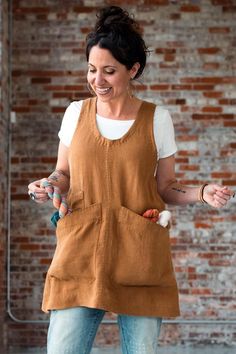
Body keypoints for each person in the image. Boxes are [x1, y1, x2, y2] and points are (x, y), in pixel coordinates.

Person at [27, 5, 234, 354]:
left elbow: (164, 187)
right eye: (92, 70)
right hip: (80, 251)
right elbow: (62, 173)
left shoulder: (158, 119)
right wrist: (47, 185)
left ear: (132, 69)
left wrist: (202, 192)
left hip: (139, 255)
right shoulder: (76, 113)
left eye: (109, 71)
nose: (98, 80)